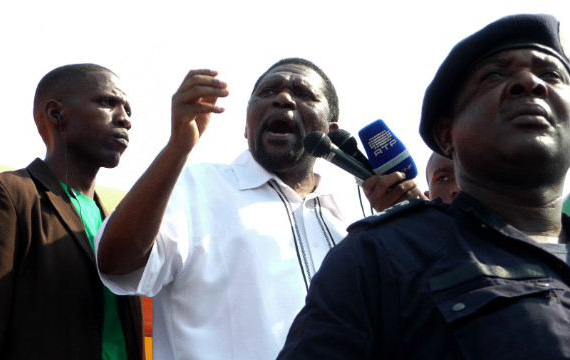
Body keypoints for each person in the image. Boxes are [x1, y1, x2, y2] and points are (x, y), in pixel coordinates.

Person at [277, 14, 570, 359]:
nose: (530, 83)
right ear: (446, 136)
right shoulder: (377, 259)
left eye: (551, 74)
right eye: (495, 75)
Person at [94, 58, 425, 360]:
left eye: (304, 94)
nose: (282, 99)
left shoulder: (363, 215)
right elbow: (117, 262)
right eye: (268, 92)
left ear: (331, 133)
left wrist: (411, 227)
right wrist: (178, 146)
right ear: (247, 126)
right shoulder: (197, 187)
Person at [0, 64, 145, 360]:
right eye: (107, 102)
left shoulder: (119, 223)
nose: (124, 119)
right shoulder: (3, 196)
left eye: (128, 110)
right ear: (55, 113)